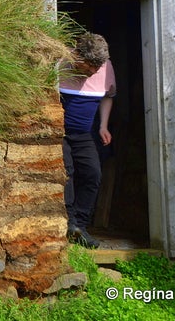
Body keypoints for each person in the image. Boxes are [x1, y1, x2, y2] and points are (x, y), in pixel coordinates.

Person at [59, 33, 116, 249]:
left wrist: (103, 125)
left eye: (97, 68)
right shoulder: (59, 62)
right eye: (90, 66)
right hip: (60, 133)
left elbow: (108, 96)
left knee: (93, 173)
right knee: (68, 173)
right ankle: (70, 223)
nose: (93, 72)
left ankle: (81, 227)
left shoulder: (105, 67)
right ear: (77, 56)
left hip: (83, 134)